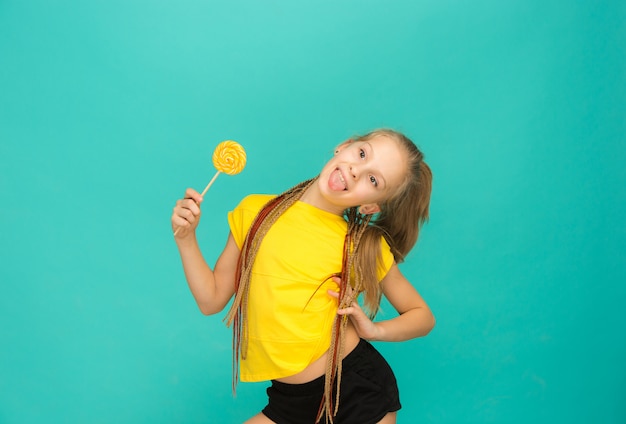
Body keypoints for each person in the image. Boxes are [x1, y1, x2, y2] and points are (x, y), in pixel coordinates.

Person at [171, 129, 435, 424]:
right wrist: (186, 239)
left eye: (374, 180)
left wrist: (375, 331)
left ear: (370, 206)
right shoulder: (254, 212)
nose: (356, 170)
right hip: (290, 401)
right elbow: (211, 300)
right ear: (343, 146)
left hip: (356, 393)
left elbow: (422, 316)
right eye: (362, 154)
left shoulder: (361, 245)